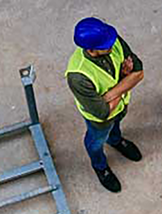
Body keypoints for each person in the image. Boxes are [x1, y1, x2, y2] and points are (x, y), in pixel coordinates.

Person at [65, 18, 144, 193]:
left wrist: (111, 94)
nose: (112, 44)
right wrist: (125, 80)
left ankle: (115, 140)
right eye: (105, 46)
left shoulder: (110, 39)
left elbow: (138, 72)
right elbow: (102, 112)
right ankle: (100, 166)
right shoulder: (77, 76)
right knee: (95, 141)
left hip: (120, 105)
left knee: (117, 123)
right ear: (90, 50)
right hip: (99, 120)